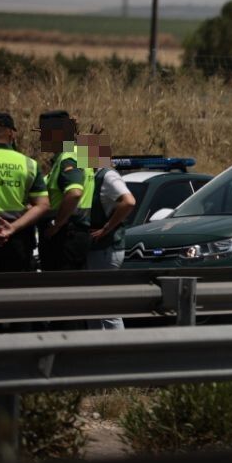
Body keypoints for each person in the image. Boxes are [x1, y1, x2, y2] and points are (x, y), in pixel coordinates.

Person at [79, 132, 136, 330]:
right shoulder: (93, 175)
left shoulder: (108, 175)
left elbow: (128, 201)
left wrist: (106, 228)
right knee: (93, 304)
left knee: (105, 304)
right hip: (98, 248)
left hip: (107, 248)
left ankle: (118, 350)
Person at [0, 112, 49, 273]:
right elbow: (43, 205)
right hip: (17, 239)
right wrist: (12, 228)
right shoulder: (29, 164)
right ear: (11, 133)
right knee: (15, 293)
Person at [37, 110, 96, 271]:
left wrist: (56, 225)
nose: (41, 138)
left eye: (44, 132)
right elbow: (105, 173)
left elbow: (75, 193)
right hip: (77, 233)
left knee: (59, 290)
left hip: (65, 236)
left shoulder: (67, 158)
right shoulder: (83, 153)